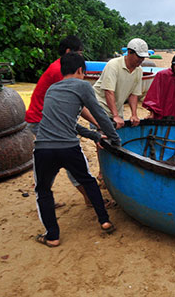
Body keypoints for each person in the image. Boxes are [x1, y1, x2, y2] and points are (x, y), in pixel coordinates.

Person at [33, 52, 121, 247]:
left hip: (43, 149)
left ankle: (52, 235)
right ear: (81, 70)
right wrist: (115, 139)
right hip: (68, 147)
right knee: (88, 181)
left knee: (44, 190)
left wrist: (95, 135)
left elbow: (67, 124)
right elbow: (99, 114)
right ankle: (104, 220)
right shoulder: (82, 86)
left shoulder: (51, 90)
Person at [25, 35, 98, 206]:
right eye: (79, 53)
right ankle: (89, 199)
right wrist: (98, 123)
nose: (81, 57)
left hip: (42, 118)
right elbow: (77, 104)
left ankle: (49, 196)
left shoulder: (59, 67)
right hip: (42, 120)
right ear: (68, 52)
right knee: (72, 155)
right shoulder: (61, 72)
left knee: (54, 159)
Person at [93, 38, 149, 129]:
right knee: (103, 138)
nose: (141, 60)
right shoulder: (113, 65)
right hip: (100, 107)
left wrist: (134, 114)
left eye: (143, 57)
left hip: (117, 109)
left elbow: (133, 94)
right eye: (139, 57)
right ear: (130, 52)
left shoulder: (139, 71)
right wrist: (115, 116)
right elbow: (109, 91)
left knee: (117, 138)